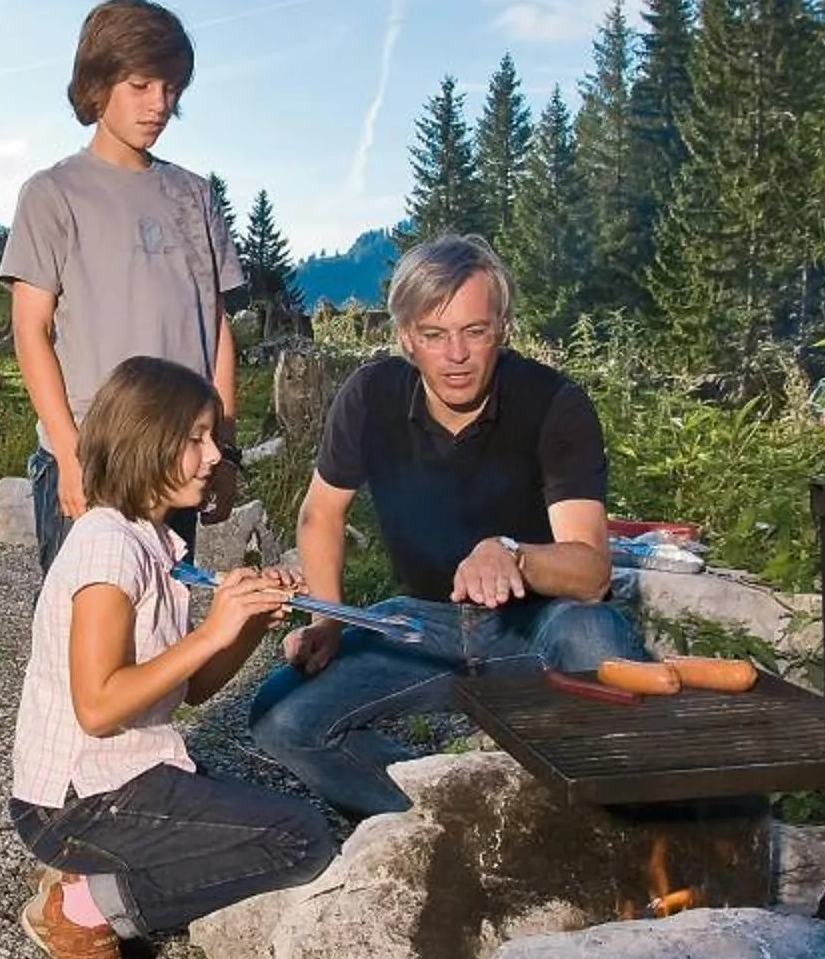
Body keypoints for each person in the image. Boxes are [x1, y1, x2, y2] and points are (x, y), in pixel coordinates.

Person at [245, 234, 650, 818]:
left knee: (596, 634)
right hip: (419, 624)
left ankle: (618, 817)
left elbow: (591, 573)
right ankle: (451, 819)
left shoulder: (553, 403)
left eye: (474, 331)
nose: (456, 354)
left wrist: (511, 553)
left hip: (535, 621)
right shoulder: (370, 396)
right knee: (282, 719)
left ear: (503, 327)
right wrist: (327, 620)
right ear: (406, 336)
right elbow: (320, 514)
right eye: (434, 334)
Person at [10, 355, 340, 959]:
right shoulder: (108, 551)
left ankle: (89, 879)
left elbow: (190, 688)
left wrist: (248, 622)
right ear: (146, 442)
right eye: (196, 438)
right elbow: (97, 707)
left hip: (119, 777)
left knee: (276, 824)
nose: (214, 454)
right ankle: (81, 908)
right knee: (301, 839)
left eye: (211, 437)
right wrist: (212, 631)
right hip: (76, 802)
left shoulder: (151, 541)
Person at [0, 0, 247, 574]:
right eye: (140, 85)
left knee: (164, 617)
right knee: (82, 620)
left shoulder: (196, 196)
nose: (159, 104)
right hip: (95, 455)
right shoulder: (52, 194)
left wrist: (224, 451)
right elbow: (31, 331)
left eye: (171, 88)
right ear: (97, 83)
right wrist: (68, 454)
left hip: (178, 458)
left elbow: (215, 331)